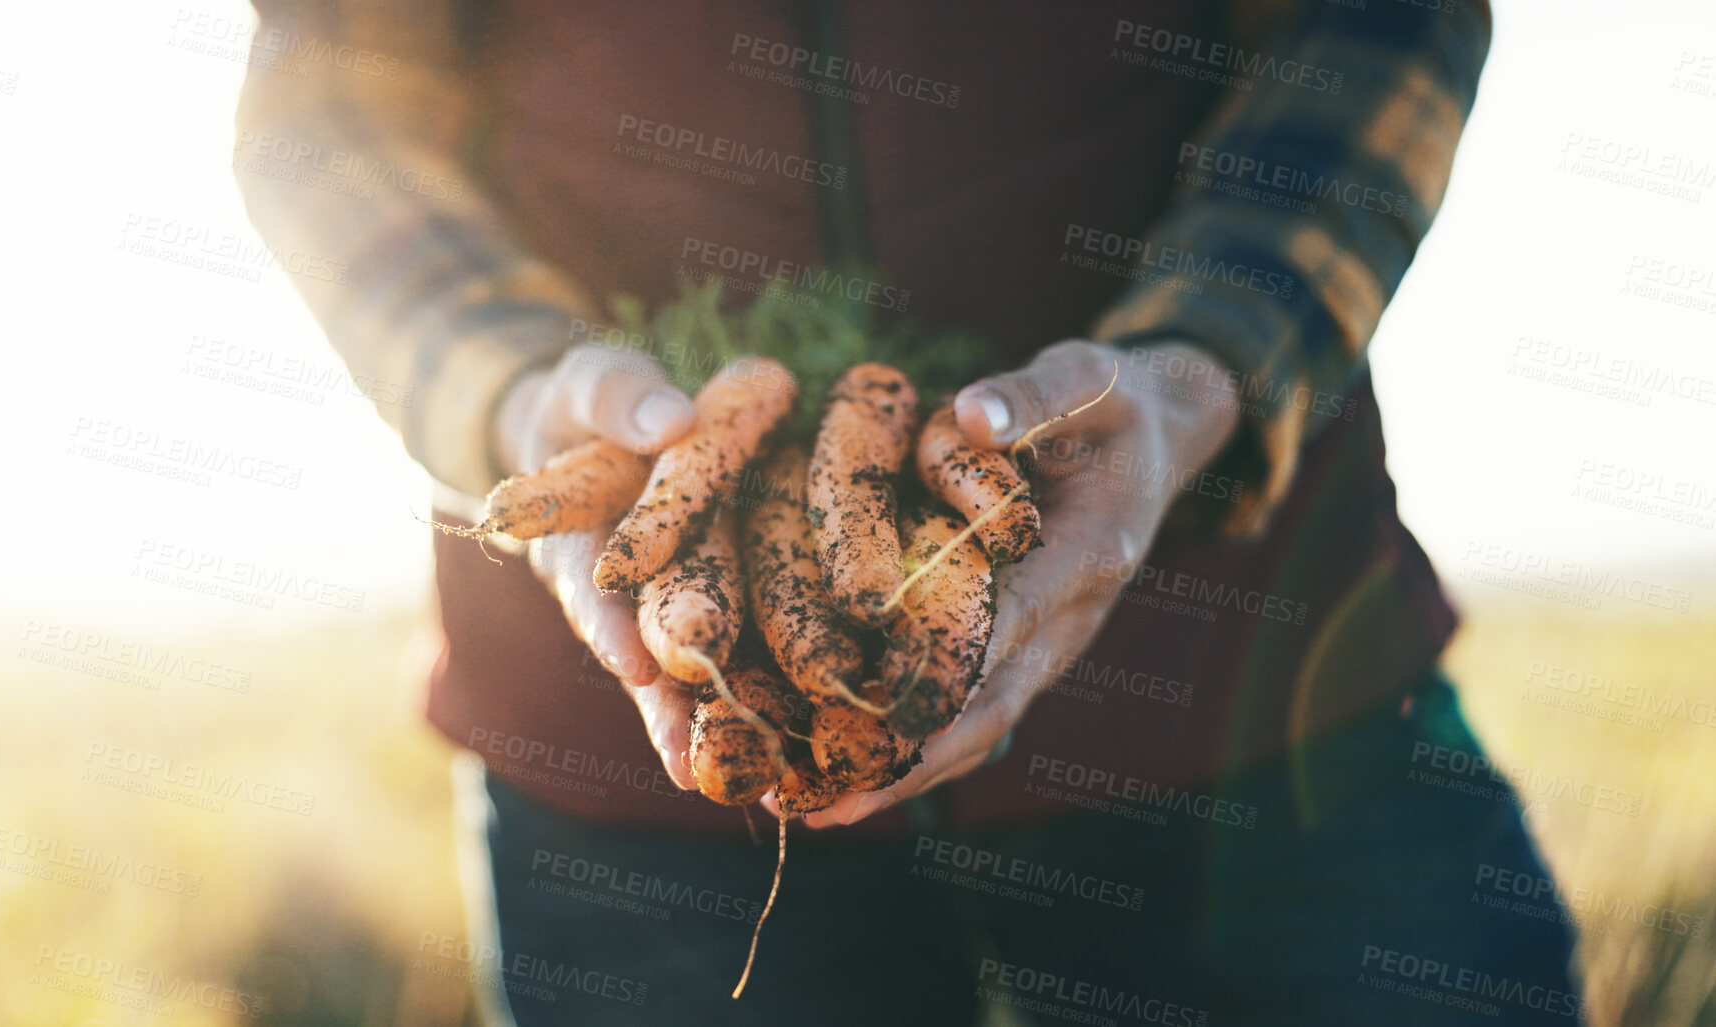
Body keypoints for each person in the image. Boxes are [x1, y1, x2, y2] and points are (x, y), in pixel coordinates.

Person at [233, 2, 1582, 1023]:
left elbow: (1370, 26)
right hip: (633, 765)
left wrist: (1199, 369)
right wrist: (512, 394)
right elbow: (331, 110)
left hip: (1255, 692)